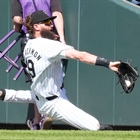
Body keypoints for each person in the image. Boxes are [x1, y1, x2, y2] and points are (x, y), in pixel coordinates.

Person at [20, 10, 120, 130]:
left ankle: (40, 121)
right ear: (36, 26)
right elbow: (80, 56)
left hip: (43, 98)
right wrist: (108, 63)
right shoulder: (48, 45)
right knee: (95, 127)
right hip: (53, 102)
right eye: (46, 22)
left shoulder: (28, 45)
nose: (51, 24)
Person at [10, 0, 66, 130]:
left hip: (30, 39)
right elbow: (56, 13)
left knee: (35, 82)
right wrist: (62, 38)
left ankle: (37, 120)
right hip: (50, 37)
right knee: (53, 78)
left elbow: (17, 20)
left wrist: (25, 24)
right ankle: (44, 115)